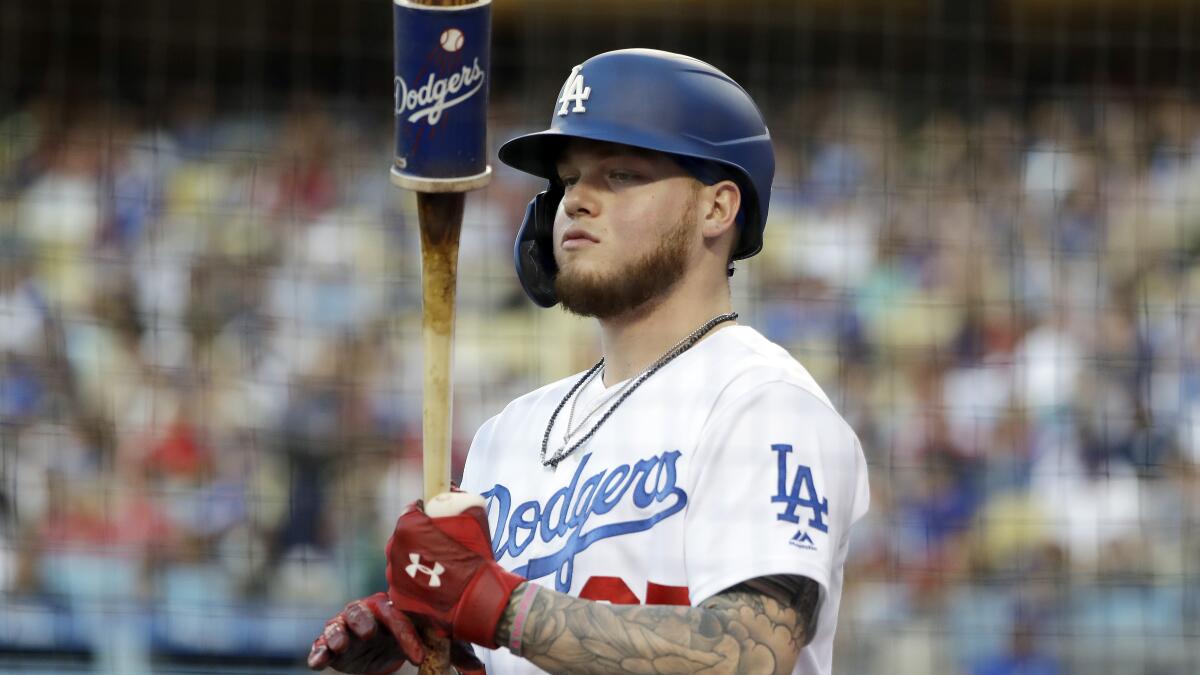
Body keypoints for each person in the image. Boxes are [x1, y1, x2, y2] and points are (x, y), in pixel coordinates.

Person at [308, 48, 869, 675]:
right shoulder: (508, 435)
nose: (576, 200)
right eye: (569, 179)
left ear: (718, 208)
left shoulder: (760, 401)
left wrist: (497, 606)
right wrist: (432, 652)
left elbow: (747, 657)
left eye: (621, 174)